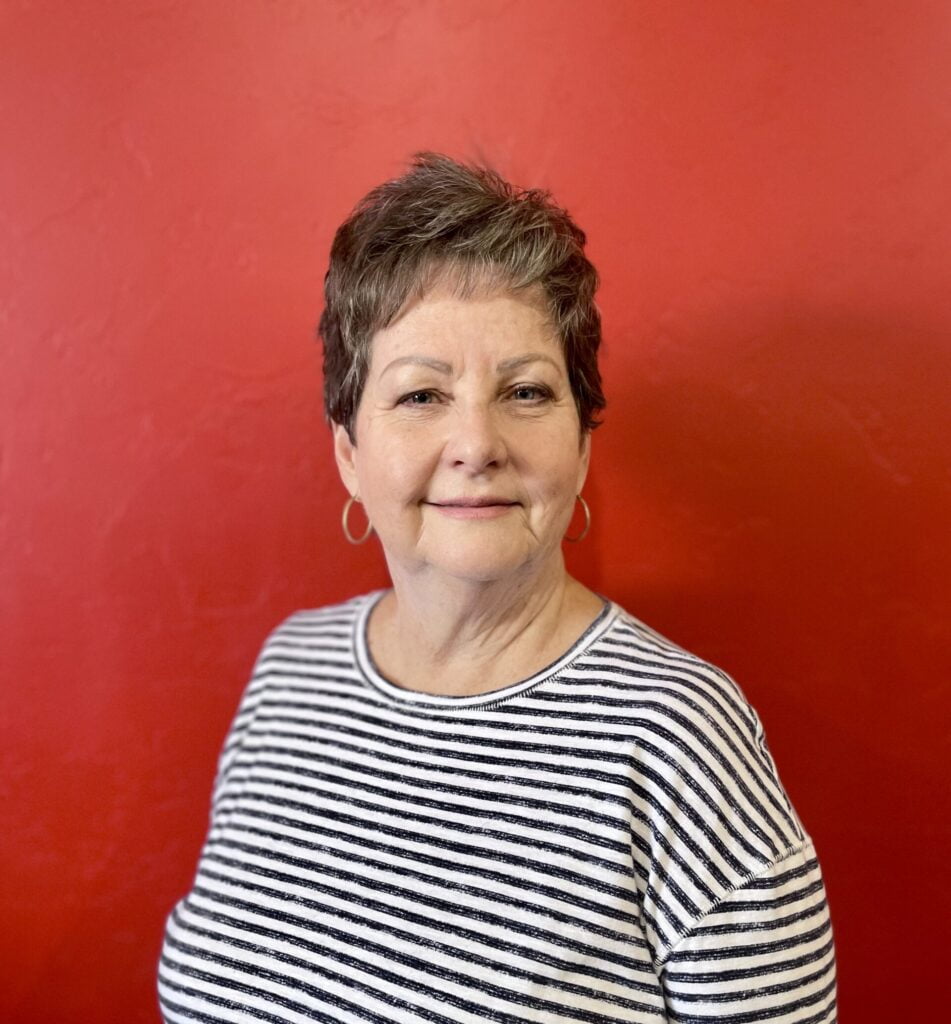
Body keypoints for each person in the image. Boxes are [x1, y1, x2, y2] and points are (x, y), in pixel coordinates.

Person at [158, 153, 837, 1023]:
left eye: (524, 390)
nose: (476, 442)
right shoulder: (291, 670)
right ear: (348, 455)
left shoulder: (676, 738)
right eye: (420, 396)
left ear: (581, 447)